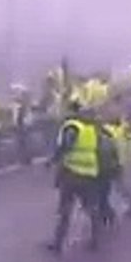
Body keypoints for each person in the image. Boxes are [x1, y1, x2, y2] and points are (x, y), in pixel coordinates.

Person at [46, 102, 105, 253]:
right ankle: (96, 240)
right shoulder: (94, 130)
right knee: (92, 209)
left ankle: (58, 242)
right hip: (89, 174)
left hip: (72, 174)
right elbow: (101, 149)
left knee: (66, 210)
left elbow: (65, 146)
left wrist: (52, 160)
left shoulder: (73, 127)